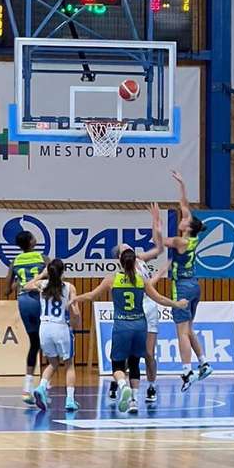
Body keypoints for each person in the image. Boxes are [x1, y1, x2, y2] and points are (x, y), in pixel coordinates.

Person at [73, 248, 188, 414]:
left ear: (120, 262)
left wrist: (75, 298)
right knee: (134, 363)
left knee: (117, 366)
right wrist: (177, 304)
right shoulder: (142, 280)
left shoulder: (112, 279)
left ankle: (122, 385)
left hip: (122, 326)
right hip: (140, 325)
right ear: (135, 262)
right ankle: (134, 400)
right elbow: (160, 299)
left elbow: (91, 296)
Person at [108, 203, 166, 404]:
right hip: (134, 311)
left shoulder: (140, 259)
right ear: (120, 257)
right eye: (124, 248)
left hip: (149, 309)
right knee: (126, 354)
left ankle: (151, 387)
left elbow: (159, 248)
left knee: (148, 353)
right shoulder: (121, 272)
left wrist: (156, 225)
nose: (128, 247)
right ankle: (120, 383)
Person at [164, 171, 212, 391]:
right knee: (189, 328)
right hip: (194, 284)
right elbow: (184, 205)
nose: (182, 218)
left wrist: (156, 224)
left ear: (188, 226)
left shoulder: (181, 242)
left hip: (182, 286)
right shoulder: (193, 236)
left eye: (184, 219)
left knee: (181, 332)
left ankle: (187, 370)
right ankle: (204, 363)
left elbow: (160, 241)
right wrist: (182, 184)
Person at [25, 259, 81, 412]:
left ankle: (42, 387)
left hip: (44, 328)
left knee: (53, 363)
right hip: (61, 327)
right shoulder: (69, 287)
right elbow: (75, 311)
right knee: (69, 364)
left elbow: (26, 286)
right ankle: (70, 399)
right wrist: (76, 320)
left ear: (49, 272)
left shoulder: (42, 285)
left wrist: (41, 275)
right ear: (63, 272)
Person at [3, 230, 49, 405]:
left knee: (34, 343)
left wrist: (19, 282)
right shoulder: (42, 258)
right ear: (31, 241)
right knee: (48, 344)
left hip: (23, 302)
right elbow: (57, 276)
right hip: (40, 301)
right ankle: (44, 386)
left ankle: (26, 388)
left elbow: (6, 291)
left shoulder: (14, 261)